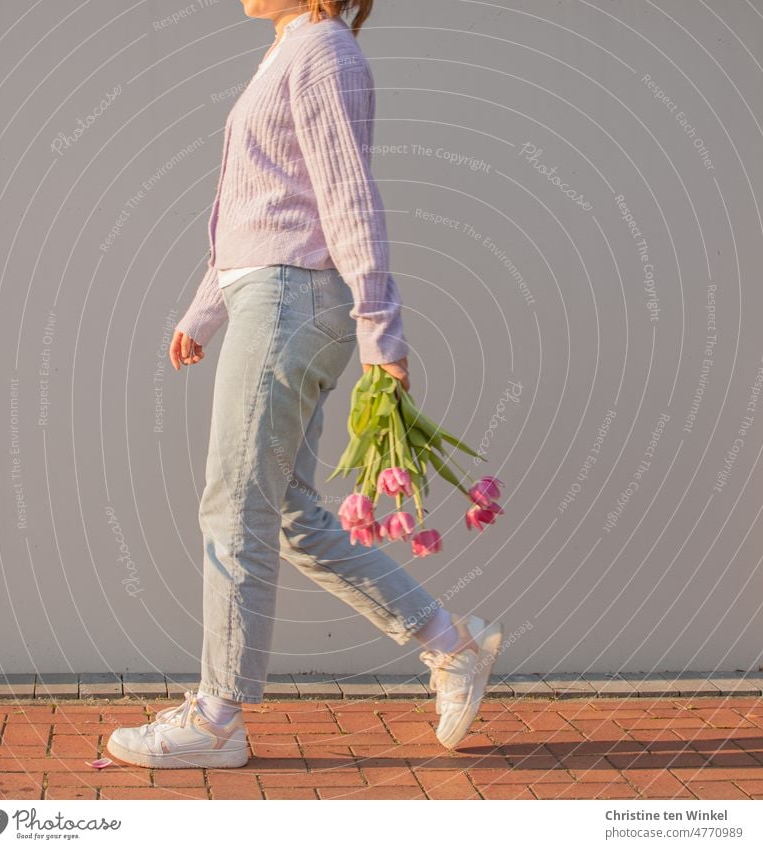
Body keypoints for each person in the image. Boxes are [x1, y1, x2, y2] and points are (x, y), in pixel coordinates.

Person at [107, 0, 502, 770]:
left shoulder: (322, 50)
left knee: (233, 500)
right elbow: (268, 207)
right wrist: (206, 307)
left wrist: (380, 324)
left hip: (291, 301)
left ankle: (217, 718)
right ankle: (451, 644)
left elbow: (346, 195)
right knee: (288, 513)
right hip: (273, 294)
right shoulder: (291, 49)